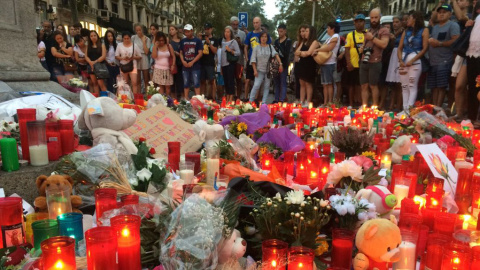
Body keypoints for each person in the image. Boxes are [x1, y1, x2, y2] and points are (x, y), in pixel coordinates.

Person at [428, 4, 460, 107]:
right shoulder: (435, 27)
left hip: (445, 60)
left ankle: (438, 108)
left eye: (444, 12)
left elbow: (456, 40)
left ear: (450, 14)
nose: (441, 14)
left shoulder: (453, 25)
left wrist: (439, 43)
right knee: (434, 86)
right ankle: (434, 108)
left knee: (441, 86)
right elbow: (432, 18)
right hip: (433, 61)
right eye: (439, 12)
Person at [397, 11, 429, 110]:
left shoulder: (424, 30)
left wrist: (413, 60)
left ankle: (409, 110)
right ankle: (404, 109)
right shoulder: (406, 31)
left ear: (414, 18)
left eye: (409, 18)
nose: (407, 20)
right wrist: (400, 60)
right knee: (404, 86)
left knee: (412, 85)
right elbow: (399, 48)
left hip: (415, 62)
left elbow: (425, 48)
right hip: (404, 61)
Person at [359, 8, 390, 106]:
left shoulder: (384, 30)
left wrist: (372, 38)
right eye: (372, 18)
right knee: (363, 85)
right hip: (364, 60)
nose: (374, 20)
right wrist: (362, 48)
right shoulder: (369, 30)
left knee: (373, 85)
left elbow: (384, 44)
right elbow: (365, 44)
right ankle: (364, 106)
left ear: (380, 17)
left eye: (376, 17)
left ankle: (375, 107)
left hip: (375, 61)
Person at [249, 31, 283, 104]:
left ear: (267, 38)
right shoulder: (256, 47)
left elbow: (276, 55)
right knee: (256, 85)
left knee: (267, 87)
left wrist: (280, 64)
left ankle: (264, 103)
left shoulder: (270, 47)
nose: (264, 38)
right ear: (260, 38)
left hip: (268, 70)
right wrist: (254, 70)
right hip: (259, 70)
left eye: (265, 37)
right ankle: (250, 101)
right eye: (262, 37)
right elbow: (253, 60)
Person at [244, 17, 271, 101]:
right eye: (254, 23)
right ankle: (246, 98)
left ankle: (256, 99)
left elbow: (269, 47)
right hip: (251, 60)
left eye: (257, 22)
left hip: (261, 62)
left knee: (258, 82)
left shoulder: (264, 35)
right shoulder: (250, 34)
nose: (255, 24)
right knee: (248, 80)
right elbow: (245, 47)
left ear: (260, 23)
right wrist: (247, 58)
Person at [315, 22, 339, 105]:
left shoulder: (335, 36)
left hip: (330, 63)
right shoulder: (329, 38)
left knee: (329, 84)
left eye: (328, 28)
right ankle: (325, 103)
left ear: (333, 28)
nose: (327, 30)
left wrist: (317, 50)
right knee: (325, 84)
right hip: (325, 63)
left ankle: (330, 102)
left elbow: (329, 48)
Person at [345, 14, 366, 107]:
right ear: (354, 23)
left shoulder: (367, 34)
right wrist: (348, 63)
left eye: (361, 21)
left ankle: (361, 103)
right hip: (353, 64)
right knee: (351, 85)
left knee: (362, 86)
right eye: (357, 22)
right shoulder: (350, 35)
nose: (359, 24)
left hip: (363, 64)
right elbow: (347, 50)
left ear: (364, 23)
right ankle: (351, 104)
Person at [294, 25, 318, 106]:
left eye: (307, 31)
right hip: (302, 64)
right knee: (302, 83)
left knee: (308, 83)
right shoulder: (304, 42)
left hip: (309, 65)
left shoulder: (314, 42)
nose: (305, 33)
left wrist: (301, 53)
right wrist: (301, 53)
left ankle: (308, 102)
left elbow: (308, 53)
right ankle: (301, 101)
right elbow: (297, 51)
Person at [386, 15, 405, 111]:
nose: (395, 24)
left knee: (399, 84)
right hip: (393, 56)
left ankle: (399, 105)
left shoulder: (403, 32)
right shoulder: (393, 33)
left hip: (400, 55)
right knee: (393, 84)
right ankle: (391, 104)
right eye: (394, 22)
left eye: (397, 22)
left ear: (401, 22)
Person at [180, 24, 203, 99]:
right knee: (186, 84)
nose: (187, 33)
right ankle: (186, 99)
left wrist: (192, 62)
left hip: (195, 66)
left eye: (188, 31)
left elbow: (200, 53)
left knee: (196, 83)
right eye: (185, 32)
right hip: (185, 65)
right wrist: (183, 61)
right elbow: (181, 52)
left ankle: (198, 99)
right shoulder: (183, 41)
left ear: (192, 31)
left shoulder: (198, 41)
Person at [466, 1, 480, 124]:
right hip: (471, 55)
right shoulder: (474, 19)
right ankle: (472, 117)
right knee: (473, 87)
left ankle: (477, 117)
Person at [152, 32, 176, 96]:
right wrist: (155, 46)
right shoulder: (156, 47)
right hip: (158, 69)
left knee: (168, 86)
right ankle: (162, 100)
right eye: (159, 40)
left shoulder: (169, 46)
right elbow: (154, 56)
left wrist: (173, 65)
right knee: (161, 86)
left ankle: (167, 99)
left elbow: (173, 56)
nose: (161, 42)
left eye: (162, 40)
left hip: (168, 69)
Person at [221, 26, 241, 103]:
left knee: (231, 81)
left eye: (228, 32)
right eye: (225, 32)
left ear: (231, 33)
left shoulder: (233, 42)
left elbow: (238, 53)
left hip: (230, 64)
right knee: (226, 81)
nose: (226, 33)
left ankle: (231, 98)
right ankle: (227, 96)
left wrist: (231, 51)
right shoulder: (223, 42)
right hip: (224, 65)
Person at [273, 24, 292, 103]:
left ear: (285, 31)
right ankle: (276, 99)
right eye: (278, 31)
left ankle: (282, 99)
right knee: (276, 83)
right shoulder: (276, 41)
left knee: (283, 82)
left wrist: (283, 64)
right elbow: (274, 52)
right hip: (276, 64)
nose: (279, 33)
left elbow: (286, 54)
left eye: (281, 31)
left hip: (284, 64)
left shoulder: (288, 41)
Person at [85, 31, 108, 95]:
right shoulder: (88, 46)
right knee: (94, 83)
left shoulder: (102, 45)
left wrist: (94, 62)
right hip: (91, 66)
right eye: (91, 36)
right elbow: (86, 56)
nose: (93, 37)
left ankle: (106, 98)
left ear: (97, 36)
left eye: (94, 35)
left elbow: (103, 56)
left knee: (101, 83)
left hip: (100, 66)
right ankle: (97, 98)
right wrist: (90, 62)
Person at [200, 23, 219, 99]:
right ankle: (202, 97)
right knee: (202, 81)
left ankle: (213, 98)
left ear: (211, 29)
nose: (206, 30)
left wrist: (209, 43)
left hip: (210, 63)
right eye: (205, 29)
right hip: (202, 63)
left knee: (212, 81)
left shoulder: (215, 39)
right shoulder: (201, 39)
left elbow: (215, 51)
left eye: (208, 29)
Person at [230, 16, 247, 99]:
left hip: (239, 60)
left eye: (237, 24)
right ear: (231, 24)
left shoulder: (242, 34)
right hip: (229, 60)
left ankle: (238, 97)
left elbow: (246, 47)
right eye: (234, 24)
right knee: (230, 79)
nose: (235, 26)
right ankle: (231, 96)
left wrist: (240, 43)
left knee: (239, 79)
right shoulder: (228, 32)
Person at [132, 24, 152, 93]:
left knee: (146, 79)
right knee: (137, 80)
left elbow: (146, 52)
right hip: (136, 58)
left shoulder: (147, 39)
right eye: (137, 30)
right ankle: (138, 95)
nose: (138, 32)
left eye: (139, 30)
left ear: (142, 30)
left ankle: (147, 95)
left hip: (144, 57)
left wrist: (143, 42)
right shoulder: (133, 38)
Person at [169, 25, 184, 99]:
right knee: (172, 81)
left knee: (180, 81)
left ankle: (181, 97)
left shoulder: (181, 40)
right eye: (170, 30)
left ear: (176, 30)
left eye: (172, 29)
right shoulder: (169, 41)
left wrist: (178, 53)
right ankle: (173, 98)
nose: (171, 31)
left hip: (180, 63)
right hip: (171, 63)